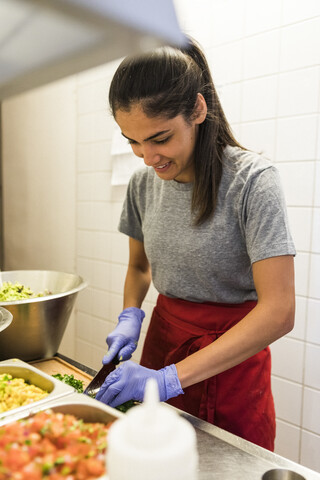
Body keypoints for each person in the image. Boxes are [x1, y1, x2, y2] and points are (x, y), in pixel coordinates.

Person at [95, 36, 296, 451]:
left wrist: (169, 379)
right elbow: (139, 267)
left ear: (199, 110)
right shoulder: (142, 185)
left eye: (160, 138)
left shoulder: (252, 182)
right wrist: (130, 314)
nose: (147, 158)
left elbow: (279, 312)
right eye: (133, 141)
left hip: (231, 362)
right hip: (164, 341)